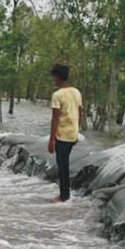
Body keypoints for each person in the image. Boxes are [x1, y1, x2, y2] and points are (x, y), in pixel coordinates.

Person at [47, 64, 82, 203]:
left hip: (62, 135)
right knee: (64, 165)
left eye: (54, 77)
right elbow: (80, 113)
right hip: (72, 134)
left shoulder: (57, 95)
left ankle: (64, 196)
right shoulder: (76, 92)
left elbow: (55, 118)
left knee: (63, 167)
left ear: (58, 77)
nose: (53, 80)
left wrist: (51, 140)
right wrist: (77, 132)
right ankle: (65, 194)